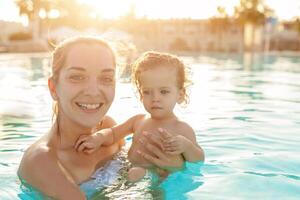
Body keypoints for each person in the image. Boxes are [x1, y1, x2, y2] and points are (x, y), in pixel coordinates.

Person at [18, 37, 183, 200]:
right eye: (77, 77)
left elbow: (134, 175)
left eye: (106, 79)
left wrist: (170, 170)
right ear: (54, 88)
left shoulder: (109, 129)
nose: (93, 91)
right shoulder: (42, 161)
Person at [75, 51, 205, 182]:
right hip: (126, 169)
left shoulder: (182, 129)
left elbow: (199, 159)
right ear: (140, 94)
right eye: (147, 92)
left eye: (164, 92)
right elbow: (114, 134)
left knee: (137, 175)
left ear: (180, 95)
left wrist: (187, 146)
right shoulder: (138, 120)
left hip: (158, 177)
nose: (155, 98)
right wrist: (98, 138)